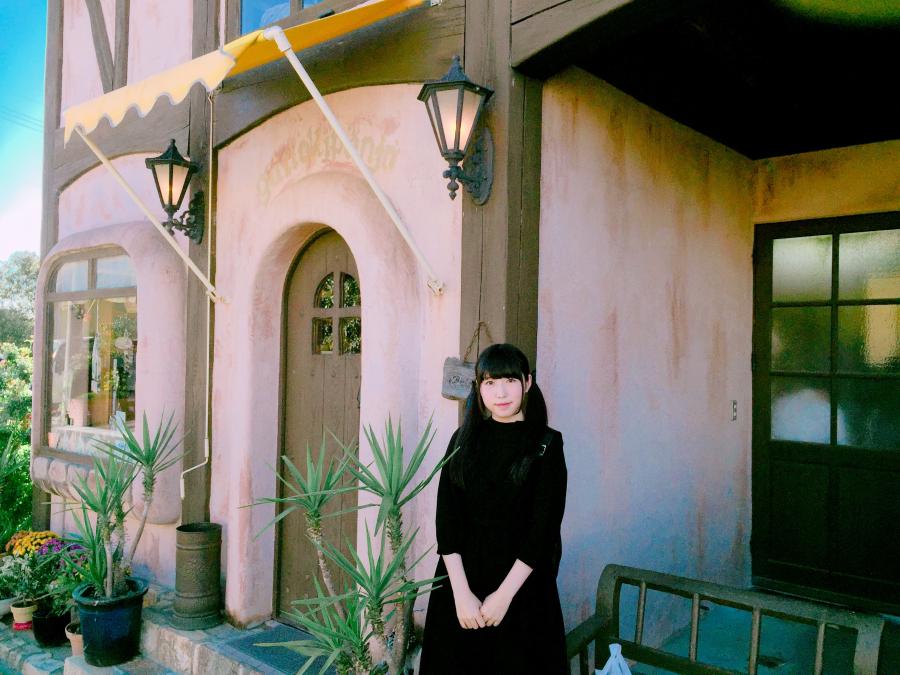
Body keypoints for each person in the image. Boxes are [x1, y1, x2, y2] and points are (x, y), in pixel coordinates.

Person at [420, 343, 568, 674]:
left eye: (510, 381)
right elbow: (447, 520)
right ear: (479, 387)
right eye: (490, 382)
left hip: (523, 589)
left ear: (527, 382)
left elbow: (543, 529)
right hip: (460, 587)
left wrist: (503, 597)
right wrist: (461, 594)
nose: (500, 393)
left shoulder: (547, 444)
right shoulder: (462, 440)